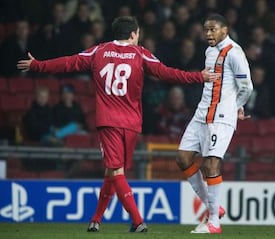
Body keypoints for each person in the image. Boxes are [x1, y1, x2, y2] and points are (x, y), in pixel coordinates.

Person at [17, 16, 216, 233]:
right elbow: (167, 73)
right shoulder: (141, 54)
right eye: (138, 33)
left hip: (108, 121)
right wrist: (199, 77)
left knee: (115, 172)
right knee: (113, 171)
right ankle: (103, 219)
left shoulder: (98, 51)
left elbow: (68, 62)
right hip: (131, 124)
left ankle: (135, 221)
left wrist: (38, 65)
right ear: (133, 34)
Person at [176, 14, 253, 234]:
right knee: (182, 158)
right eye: (206, 30)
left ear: (225, 30)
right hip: (201, 114)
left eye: (213, 30)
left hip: (221, 117)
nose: (208, 34)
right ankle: (214, 207)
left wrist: (236, 106)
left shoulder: (235, 53)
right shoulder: (209, 51)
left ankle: (213, 223)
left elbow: (247, 87)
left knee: (211, 164)